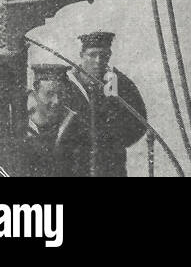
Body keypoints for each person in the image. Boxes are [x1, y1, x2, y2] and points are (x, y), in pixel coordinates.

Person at [61, 31, 148, 178]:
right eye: (92, 55)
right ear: (81, 55)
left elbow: (139, 122)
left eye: (103, 55)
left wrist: (112, 142)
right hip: (74, 164)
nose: (98, 61)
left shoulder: (120, 83)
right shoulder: (66, 85)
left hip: (110, 165)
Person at [21, 62, 81, 177]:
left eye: (61, 94)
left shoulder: (73, 123)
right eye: (49, 94)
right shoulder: (21, 121)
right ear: (35, 94)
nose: (57, 101)